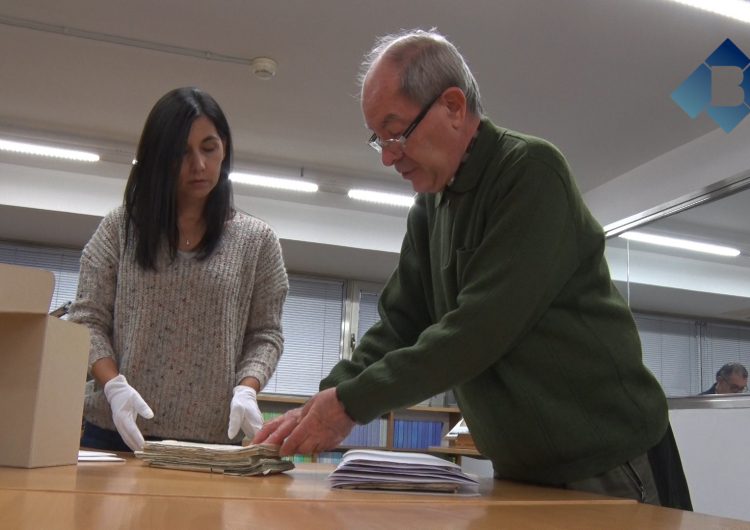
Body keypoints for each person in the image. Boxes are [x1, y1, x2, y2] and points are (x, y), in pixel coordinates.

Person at [254, 30, 692, 509]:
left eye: (396, 132)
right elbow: (401, 325)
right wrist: (324, 401)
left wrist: (350, 404)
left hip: (610, 462)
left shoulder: (529, 172)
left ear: (453, 106)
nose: (387, 155)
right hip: (523, 469)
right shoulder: (430, 208)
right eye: (377, 139)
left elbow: (479, 329)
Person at [69, 87, 288, 452]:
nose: (199, 165)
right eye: (181, 152)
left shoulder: (258, 242)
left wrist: (247, 389)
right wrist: (113, 386)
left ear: (225, 150)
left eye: (209, 147)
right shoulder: (119, 229)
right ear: (158, 158)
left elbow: (265, 334)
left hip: (211, 442)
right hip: (116, 433)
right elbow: (87, 318)